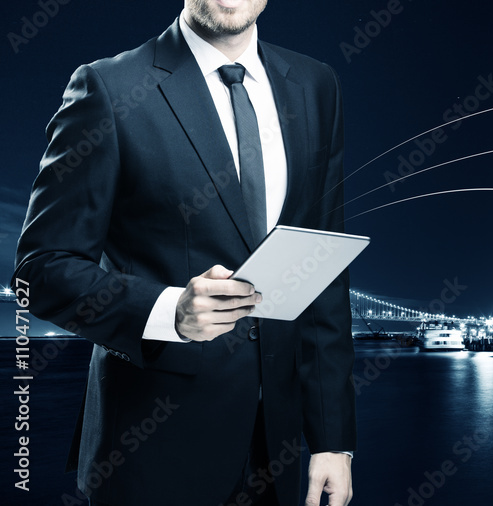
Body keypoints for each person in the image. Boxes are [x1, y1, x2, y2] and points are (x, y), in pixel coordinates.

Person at [13, 1, 355, 504]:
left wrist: (333, 441)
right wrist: (168, 312)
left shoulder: (316, 84)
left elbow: (322, 268)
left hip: (277, 457)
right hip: (150, 456)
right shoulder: (107, 88)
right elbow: (40, 271)